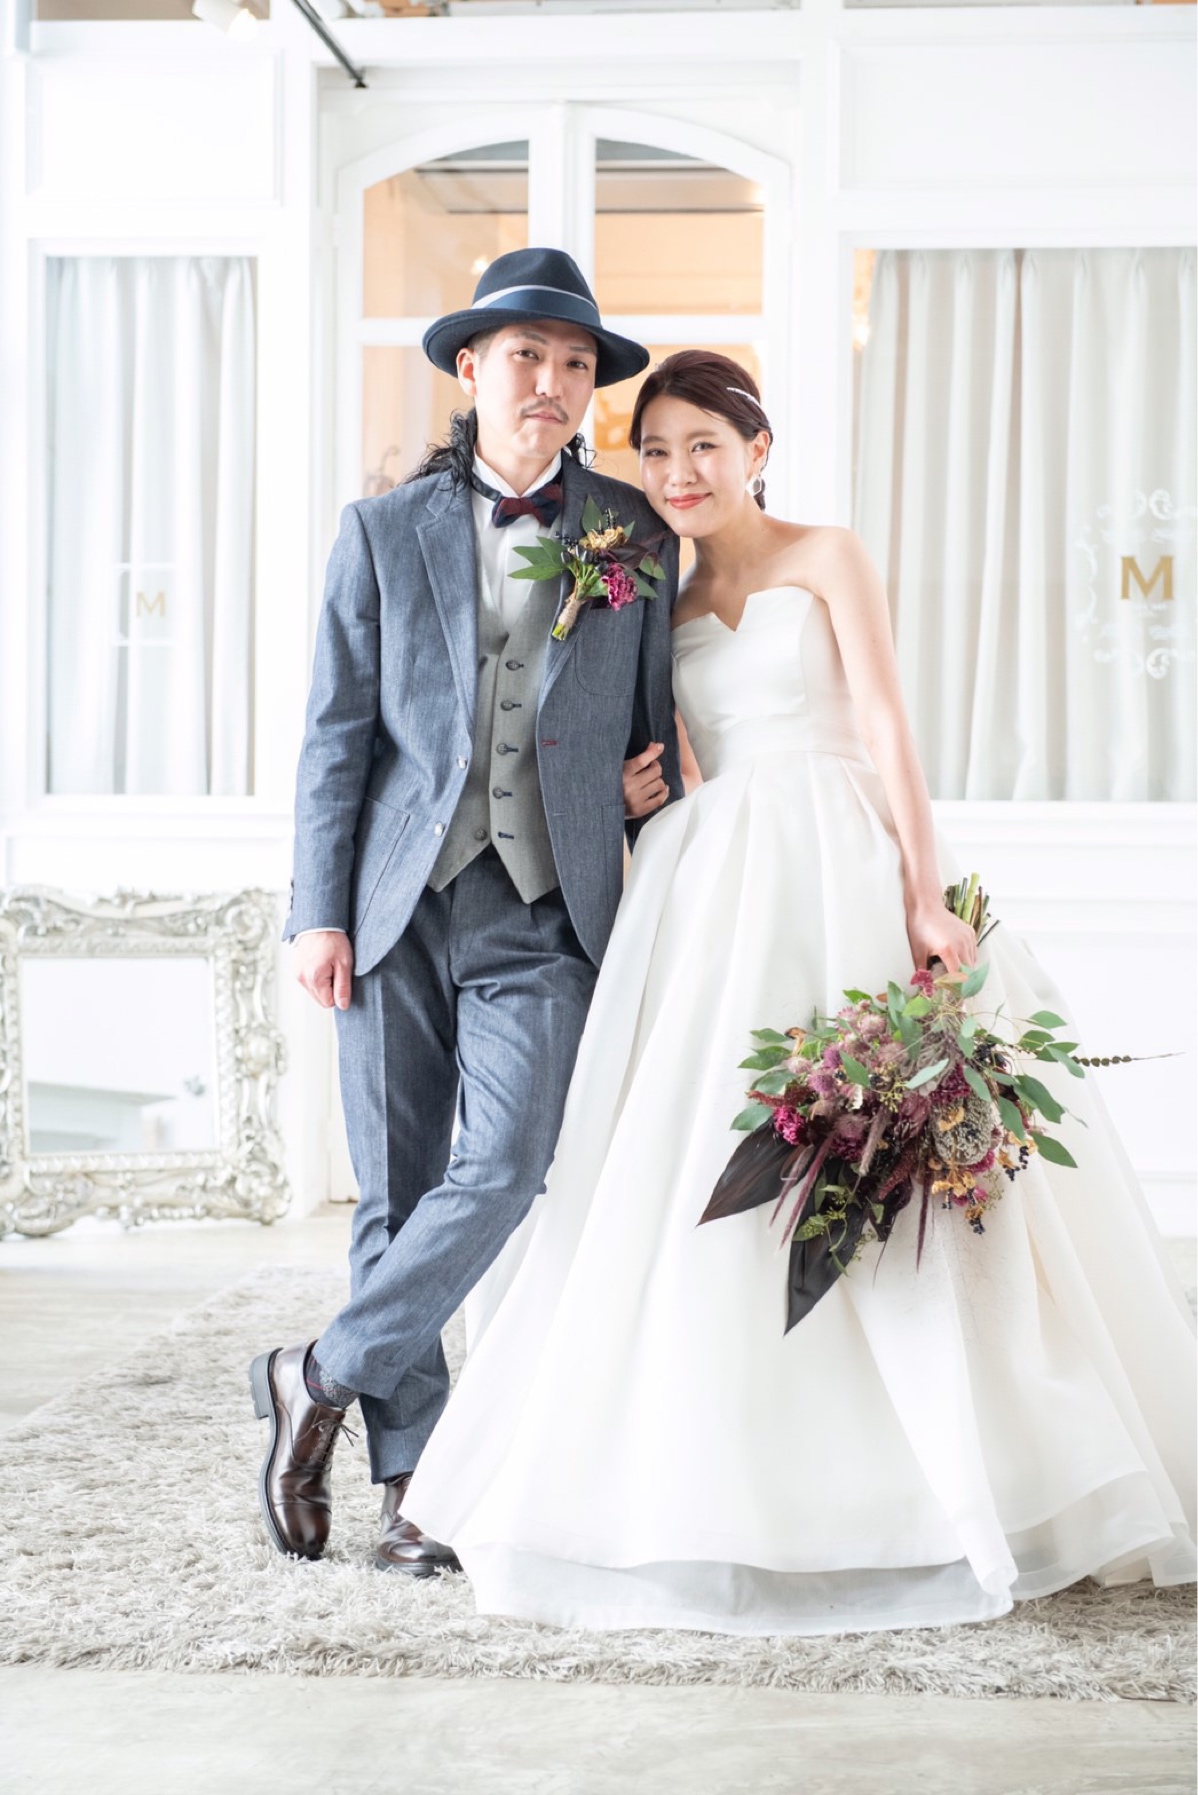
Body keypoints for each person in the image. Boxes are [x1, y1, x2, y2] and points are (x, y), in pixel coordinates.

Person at [402, 350, 1197, 1634]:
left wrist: (924, 895)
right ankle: (722, 1466)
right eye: (656, 451)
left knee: (895, 1157)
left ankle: (963, 1470)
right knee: (703, 1160)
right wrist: (629, 793)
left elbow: (886, 727)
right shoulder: (651, 593)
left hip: (845, 857)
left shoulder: (828, 556)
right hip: (712, 884)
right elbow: (629, 745)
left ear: (756, 450)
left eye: (703, 446)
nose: (677, 473)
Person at [249, 248, 682, 1574]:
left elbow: (652, 724)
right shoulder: (382, 530)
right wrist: (317, 911)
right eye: (525, 356)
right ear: (470, 367)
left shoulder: (635, 534)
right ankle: (413, 1490)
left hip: (545, 910)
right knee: (394, 1193)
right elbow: (335, 737)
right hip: (393, 904)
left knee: (502, 1165)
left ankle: (314, 1372)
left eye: (574, 363)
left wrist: (636, 791)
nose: (550, 381)